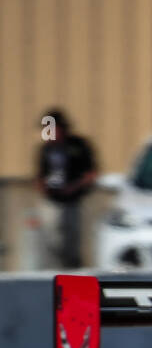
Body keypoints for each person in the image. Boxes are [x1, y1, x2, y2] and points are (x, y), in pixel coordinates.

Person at [35, 109, 97, 268]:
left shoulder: (78, 146)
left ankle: (72, 269)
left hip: (73, 201)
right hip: (52, 202)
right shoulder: (46, 150)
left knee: (71, 241)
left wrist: (73, 187)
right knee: (51, 240)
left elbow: (90, 173)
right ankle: (53, 271)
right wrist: (44, 188)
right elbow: (40, 175)